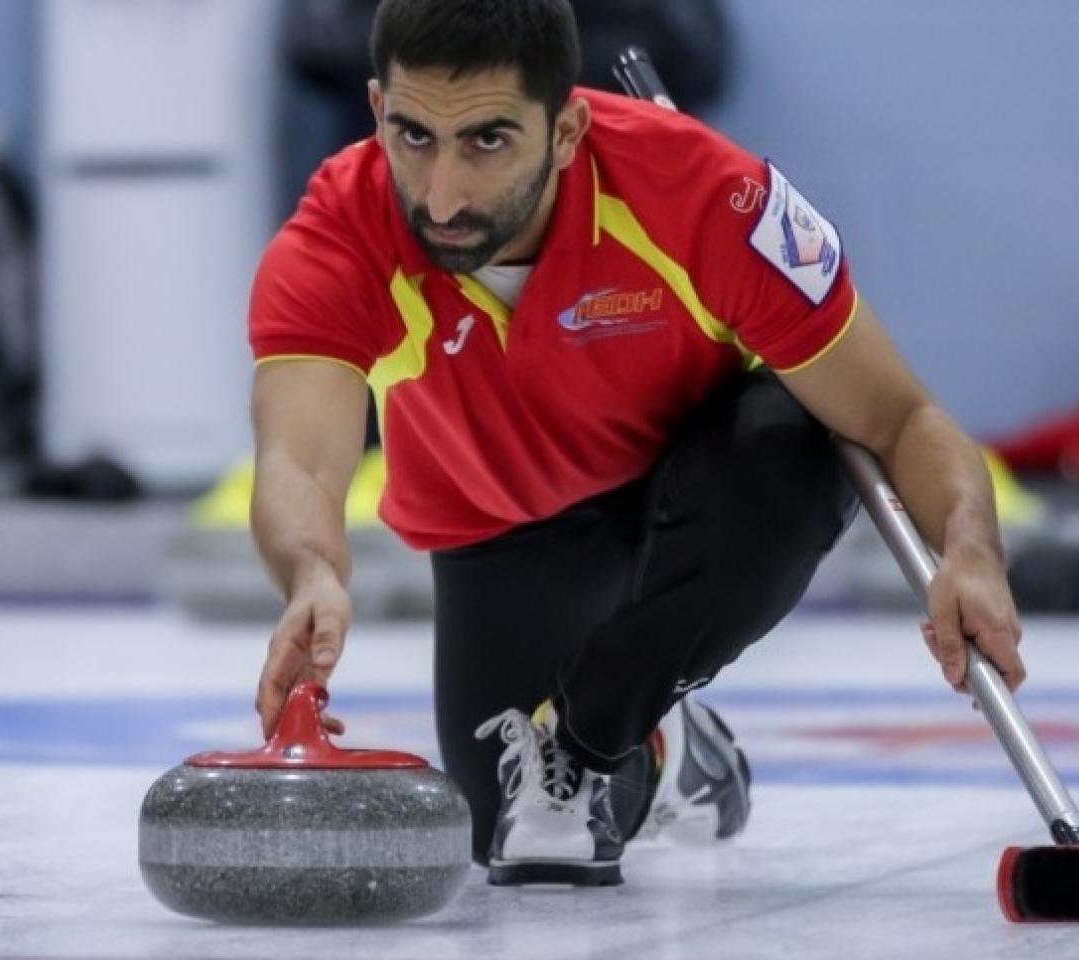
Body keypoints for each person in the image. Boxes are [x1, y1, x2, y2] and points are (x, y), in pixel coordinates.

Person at [247, 0, 1025, 888]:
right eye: (414, 136)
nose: (443, 195)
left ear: (567, 126)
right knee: (502, 832)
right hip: (502, 522)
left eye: (489, 141)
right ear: (379, 105)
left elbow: (901, 419)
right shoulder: (342, 228)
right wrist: (312, 572)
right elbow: (298, 457)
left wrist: (969, 549)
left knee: (803, 436)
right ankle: (678, 755)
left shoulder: (704, 197)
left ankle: (601, 723)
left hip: (701, 492)